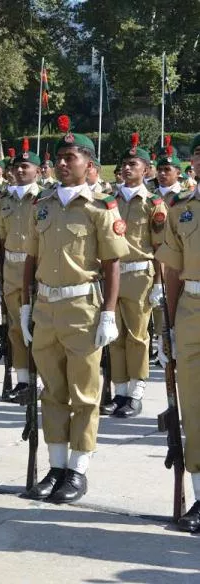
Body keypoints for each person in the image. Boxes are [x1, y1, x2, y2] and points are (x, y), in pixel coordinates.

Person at [21, 116, 127, 504]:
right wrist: (25, 307)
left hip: (83, 307)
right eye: (59, 158)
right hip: (46, 307)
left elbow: (112, 264)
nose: (63, 164)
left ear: (89, 165)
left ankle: (78, 469)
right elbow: (31, 258)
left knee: (84, 394)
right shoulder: (42, 205)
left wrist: (109, 312)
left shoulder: (101, 208)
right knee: (52, 392)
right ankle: (56, 466)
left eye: (71, 158)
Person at [100, 136, 167, 418]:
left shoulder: (153, 203)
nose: (127, 168)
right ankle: (120, 391)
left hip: (140, 275)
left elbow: (160, 246)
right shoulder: (109, 202)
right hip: (113, 275)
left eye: (133, 164)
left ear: (146, 170)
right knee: (115, 335)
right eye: (124, 164)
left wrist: (159, 283)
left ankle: (136, 392)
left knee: (138, 336)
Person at [155, 132, 200, 533]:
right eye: (199, 155)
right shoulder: (181, 210)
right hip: (191, 310)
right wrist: (166, 327)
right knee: (194, 407)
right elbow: (172, 272)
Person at [0, 139, 43, 403]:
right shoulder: (5, 200)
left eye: (26, 166)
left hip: (37, 269)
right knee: (15, 326)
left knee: (39, 326)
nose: (21, 170)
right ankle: (23, 379)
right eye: (17, 167)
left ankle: (41, 379)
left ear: (38, 171)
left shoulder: (45, 199)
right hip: (12, 270)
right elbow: (1, 240)